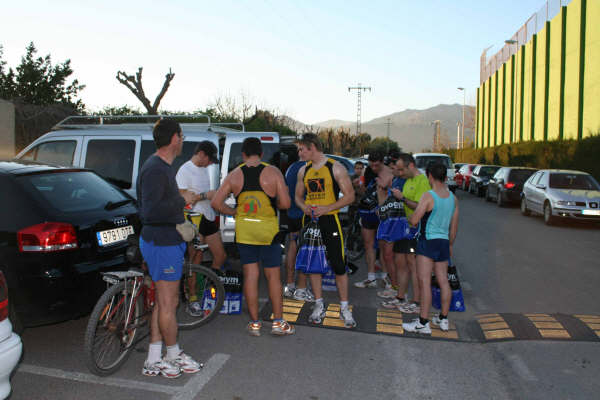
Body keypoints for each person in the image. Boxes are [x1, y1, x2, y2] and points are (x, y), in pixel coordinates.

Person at [137, 118, 202, 378]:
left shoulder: (162, 167)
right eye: (182, 136)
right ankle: (173, 353)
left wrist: (178, 202)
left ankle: (154, 357)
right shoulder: (155, 168)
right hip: (160, 242)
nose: (183, 141)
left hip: (166, 241)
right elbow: (150, 211)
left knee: (167, 302)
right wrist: (181, 200)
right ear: (174, 138)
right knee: (167, 303)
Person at [211, 137, 294, 336]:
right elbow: (285, 204)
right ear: (261, 153)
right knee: (273, 276)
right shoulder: (273, 172)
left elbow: (216, 203)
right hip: (269, 232)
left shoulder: (234, 175)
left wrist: (233, 212)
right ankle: (278, 323)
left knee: (251, 275)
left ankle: (255, 324)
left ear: (243, 154)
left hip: (245, 232)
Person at [294, 133, 357, 328]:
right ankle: (318, 304)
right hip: (310, 221)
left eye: (301, 149)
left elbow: (350, 196)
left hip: (330, 220)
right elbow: (297, 197)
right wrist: (305, 207)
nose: (299, 153)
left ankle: (344, 308)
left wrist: (327, 208)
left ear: (312, 147)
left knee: (338, 264)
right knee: (313, 264)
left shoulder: (335, 167)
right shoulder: (303, 171)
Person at [402, 162, 459, 334]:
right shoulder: (453, 198)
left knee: (424, 282)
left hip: (427, 241)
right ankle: (443, 319)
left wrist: (408, 218)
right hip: (443, 242)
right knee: (443, 280)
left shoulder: (428, 196)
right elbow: (454, 227)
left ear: (430, 176)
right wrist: (450, 245)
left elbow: (414, 220)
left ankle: (423, 322)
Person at [176, 141, 227, 316]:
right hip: (193, 219)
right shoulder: (184, 170)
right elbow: (182, 199)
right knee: (195, 259)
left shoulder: (204, 168)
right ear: (202, 154)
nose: (211, 163)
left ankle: (206, 289)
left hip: (208, 217)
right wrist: (205, 195)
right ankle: (193, 299)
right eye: (210, 159)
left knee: (220, 255)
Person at [382, 153, 431, 313]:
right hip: (402, 228)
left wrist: (402, 198)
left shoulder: (422, 181)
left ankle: (416, 302)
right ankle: (400, 297)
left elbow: (420, 206)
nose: (400, 173)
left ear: (411, 166)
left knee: (413, 265)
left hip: (415, 230)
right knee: (400, 263)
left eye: (402, 170)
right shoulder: (408, 180)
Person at [354, 151, 393, 289]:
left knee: (383, 246)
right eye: (372, 165)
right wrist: (359, 186)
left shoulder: (390, 173)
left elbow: (393, 195)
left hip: (383, 213)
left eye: (377, 165)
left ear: (382, 162)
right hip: (367, 211)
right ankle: (371, 277)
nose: (374, 168)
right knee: (368, 244)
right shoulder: (368, 170)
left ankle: (385, 277)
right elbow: (364, 191)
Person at [282, 151, 315, 302]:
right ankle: (301, 289)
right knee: (305, 248)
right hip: (304, 214)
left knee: (292, 246)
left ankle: (290, 285)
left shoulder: (290, 168)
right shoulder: (308, 168)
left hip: (291, 214)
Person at [376, 151, 406, 299]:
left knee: (392, 257)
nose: (391, 170)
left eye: (392, 168)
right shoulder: (394, 180)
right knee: (387, 255)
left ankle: (397, 288)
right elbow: (386, 203)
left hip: (399, 225)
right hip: (389, 223)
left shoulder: (404, 181)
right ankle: (394, 285)